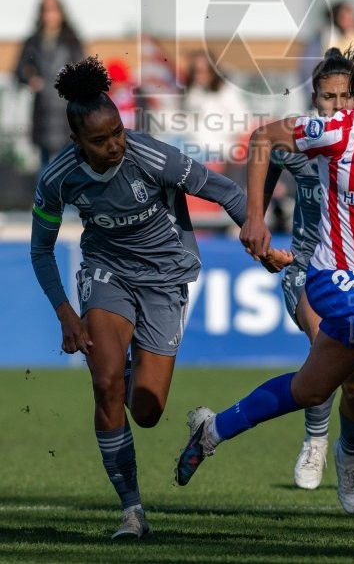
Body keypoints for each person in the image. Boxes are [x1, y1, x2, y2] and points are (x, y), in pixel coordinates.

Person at [175, 45, 354, 514]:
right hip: (334, 279)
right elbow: (261, 140)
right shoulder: (334, 130)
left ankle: (211, 431)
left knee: (311, 390)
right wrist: (254, 219)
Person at [29, 56, 288, 539]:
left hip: (166, 278)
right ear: (76, 142)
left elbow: (225, 189)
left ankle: (137, 376)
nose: (114, 146)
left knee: (146, 413)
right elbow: (41, 250)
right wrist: (65, 313)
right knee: (105, 383)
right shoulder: (56, 178)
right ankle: (131, 511)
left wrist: (258, 239)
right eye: (100, 141)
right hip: (107, 273)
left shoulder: (152, 156)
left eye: (118, 134)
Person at [263, 48, 354, 508]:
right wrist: (256, 224)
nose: (336, 106)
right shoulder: (301, 141)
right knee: (324, 343)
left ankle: (348, 457)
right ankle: (315, 438)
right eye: (326, 97)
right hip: (307, 268)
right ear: (314, 99)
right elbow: (264, 156)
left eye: (344, 97)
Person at [15, 0, 84, 168]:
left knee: (68, 163)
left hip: (66, 111)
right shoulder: (32, 42)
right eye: (46, 10)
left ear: (61, 12)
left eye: (53, 10)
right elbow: (20, 70)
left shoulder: (72, 42)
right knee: (46, 165)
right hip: (43, 111)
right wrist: (30, 78)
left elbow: (81, 71)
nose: (50, 15)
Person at [180, 51, 250, 177]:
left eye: (203, 70)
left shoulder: (226, 92)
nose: (199, 75)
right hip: (193, 146)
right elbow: (186, 123)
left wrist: (209, 124)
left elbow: (242, 122)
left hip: (218, 151)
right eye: (196, 70)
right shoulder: (193, 93)